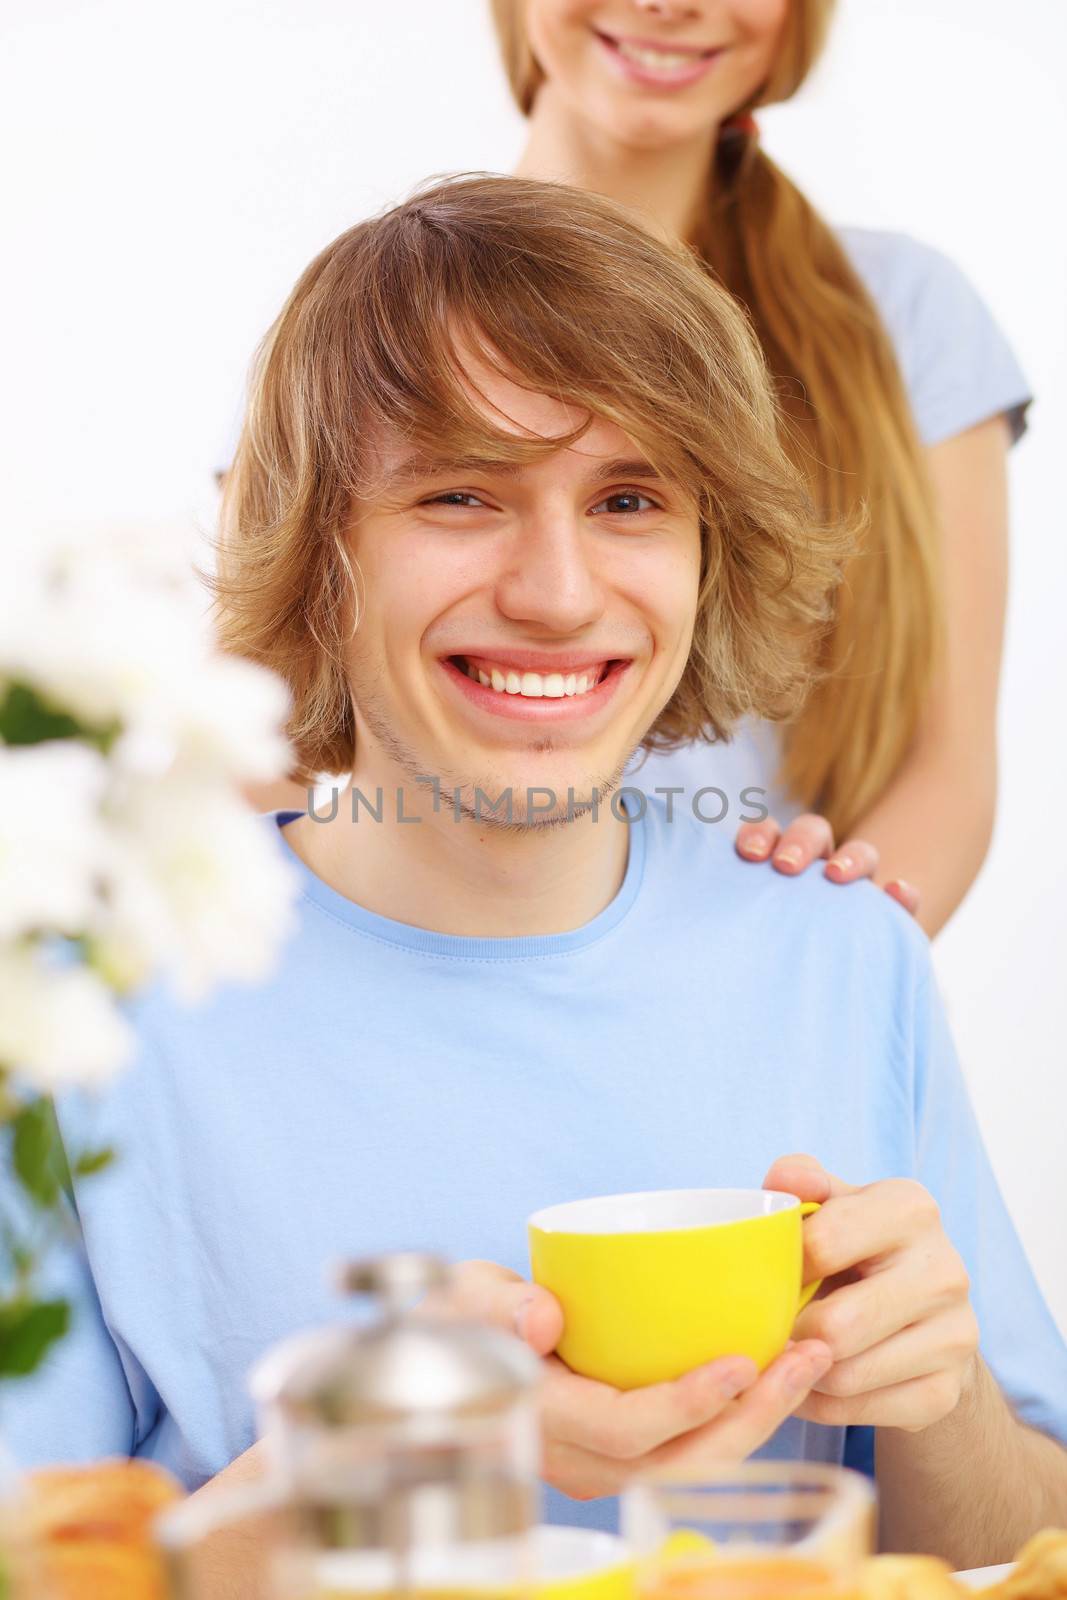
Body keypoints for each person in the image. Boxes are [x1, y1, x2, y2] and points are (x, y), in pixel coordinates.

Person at [8, 179, 1065, 1585]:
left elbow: (1022, 1544)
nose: (558, 592)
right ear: (323, 550)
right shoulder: (85, 1015)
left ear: (707, 553)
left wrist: (940, 1409)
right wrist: (379, 1455)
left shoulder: (837, 954)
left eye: (629, 498)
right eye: (460, 493)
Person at [481, 0, 1029, 936]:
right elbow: (258, 742)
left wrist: (806, 986)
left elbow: (946, 771)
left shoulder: (903, 315)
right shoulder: (354, 335)